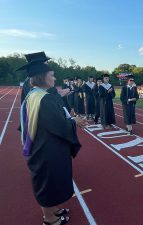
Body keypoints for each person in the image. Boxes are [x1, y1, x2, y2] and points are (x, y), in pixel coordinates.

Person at [17, 52, 87, 225]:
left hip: (43, 145)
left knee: (51, 181)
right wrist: (75, 121)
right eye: (52, 75)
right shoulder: (44, 99)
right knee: (48, 183)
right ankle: (49, 219)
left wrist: (69, 120)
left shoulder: (33, 94)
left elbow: (50, 122)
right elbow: (59, 126)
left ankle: (53, 210)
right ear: (43, 77)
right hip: (47, 149)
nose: (54, 77)